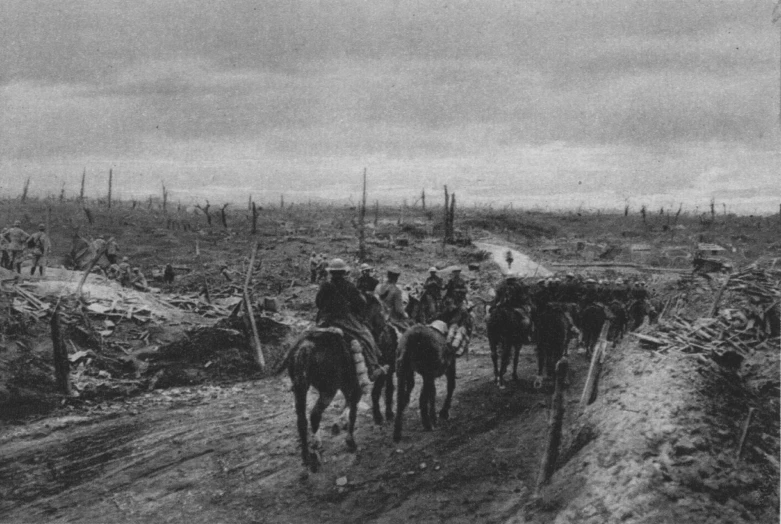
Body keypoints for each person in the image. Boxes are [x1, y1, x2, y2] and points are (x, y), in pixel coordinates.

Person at [315, 258, 387, 392]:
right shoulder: (349, 286)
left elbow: (318, 303)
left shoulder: (325, 286)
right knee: (366, 336)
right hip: (345, 320)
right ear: (343, 272)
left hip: (325, 320)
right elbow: (361, 304)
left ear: (331, 272)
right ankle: (372, 367)